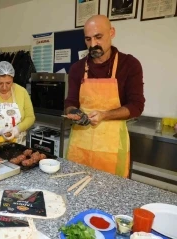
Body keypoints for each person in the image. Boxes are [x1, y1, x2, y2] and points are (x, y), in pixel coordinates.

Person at [64, 15, 145, 178]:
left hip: (112, 147)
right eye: (88, 39)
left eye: (98, 37)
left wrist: (105, 115)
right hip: (81, 144)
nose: (93, 44)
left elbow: (136, 106)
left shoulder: (129, 64)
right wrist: (75, 112)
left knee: (110, 193)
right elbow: (71, 102)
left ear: (112, 32)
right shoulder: (77, 68)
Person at [0, 61, 35, 147]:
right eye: (0, 83)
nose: (4, 87)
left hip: (17, 144)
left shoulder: (22, 92)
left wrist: (18, 129)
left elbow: (30, 117)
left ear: (13, 79)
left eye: (8, 83)